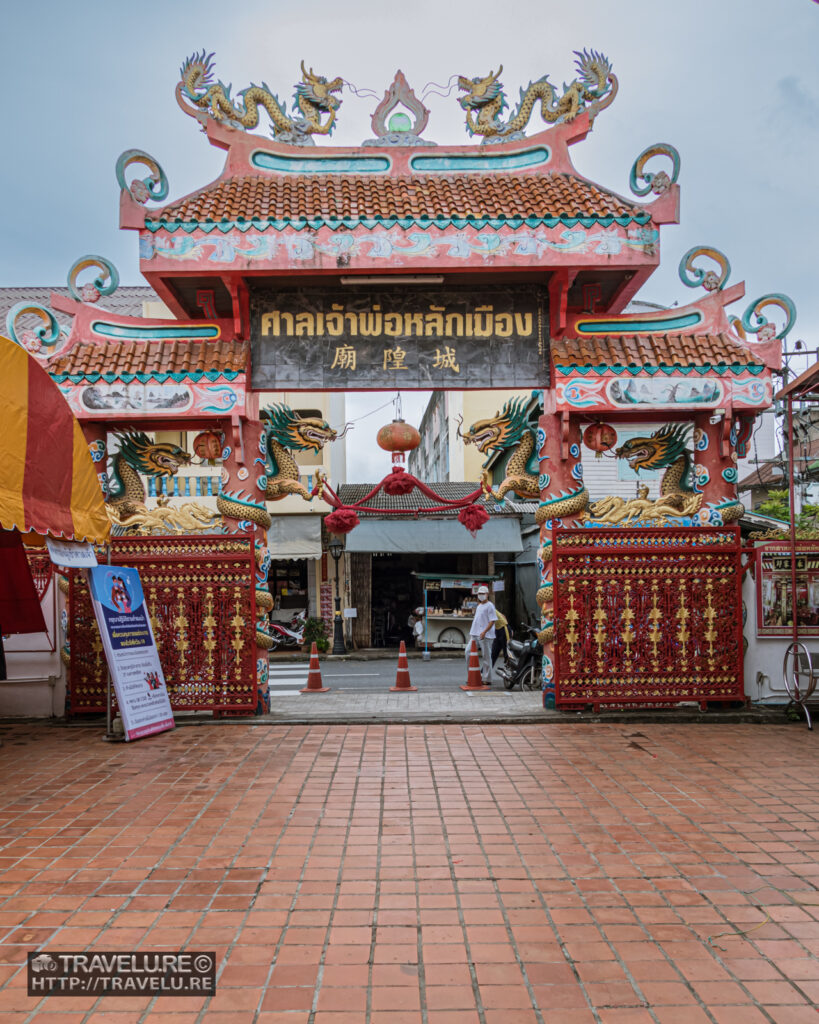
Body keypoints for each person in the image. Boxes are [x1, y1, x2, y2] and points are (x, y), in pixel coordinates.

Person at [466, 585, 497, 684]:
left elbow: (492, 621)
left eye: (483, 594)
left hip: (486, 635)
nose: (481, 595)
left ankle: (487, 679)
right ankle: (473, 675)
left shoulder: (490, 606)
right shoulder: (479, 606)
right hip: (475, 634)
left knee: (486, 657)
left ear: (487, 594)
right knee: (467, 652)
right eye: (479, 594)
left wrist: (484, 632)